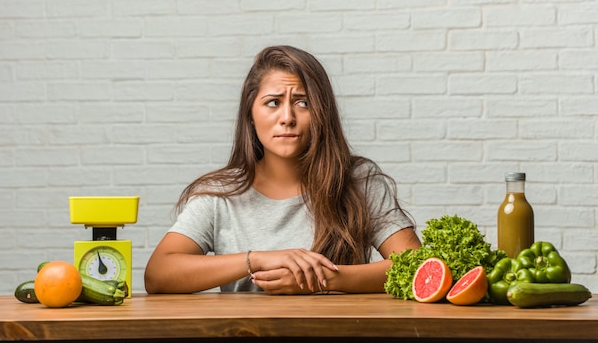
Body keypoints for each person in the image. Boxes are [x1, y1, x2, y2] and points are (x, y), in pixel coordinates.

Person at [144, 45, 421, 295]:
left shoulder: (359, 182)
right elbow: (158, 274)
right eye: (273, 103)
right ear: (250, 116)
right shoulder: (220, 196)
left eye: (303, 103)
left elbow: (414, 266)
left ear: (322, 114)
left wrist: (323, 278)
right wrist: (258, 258)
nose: (287, 118)